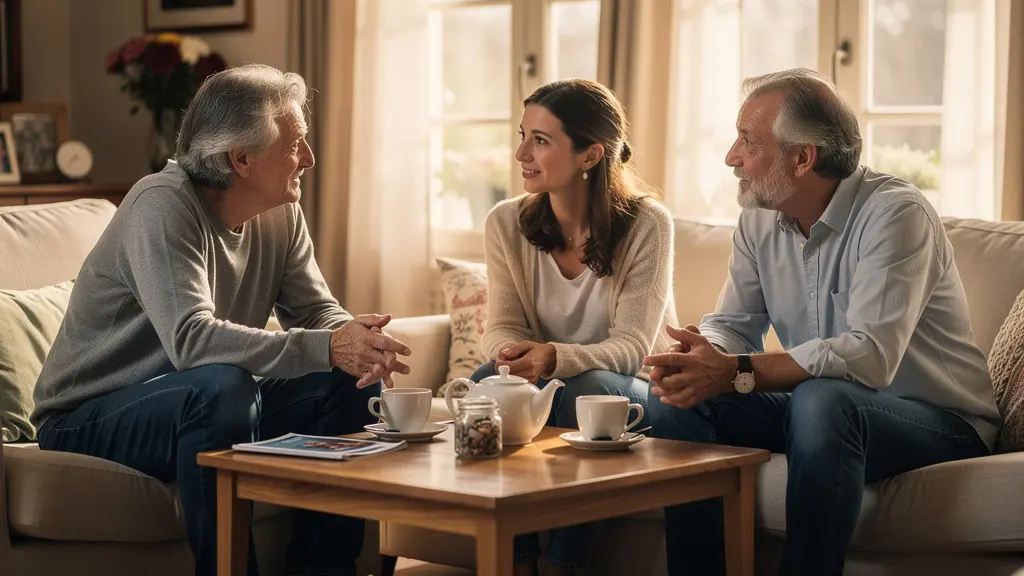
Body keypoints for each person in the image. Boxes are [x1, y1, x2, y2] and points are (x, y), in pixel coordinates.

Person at [30, 64, 412, 576]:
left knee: (344, 381)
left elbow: (315, 311)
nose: (310, 159)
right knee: (221, 387)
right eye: (296, 143)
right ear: (241, 158)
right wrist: (325, 346)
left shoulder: (280, 211)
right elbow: (191, 340)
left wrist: (354, 340)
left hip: (193, 401)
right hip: (87, 417)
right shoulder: (160, 206)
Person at [643, 67, 1001, 576]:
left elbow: (869, 356)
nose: (731, 157)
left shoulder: (897, 215)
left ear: (802, 157)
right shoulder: (759, 216)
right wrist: (703, 354)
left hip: (938, 420)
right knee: (681, 401)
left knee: (823, 396)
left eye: (747, 141)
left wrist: (736, 369)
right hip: (823, 415)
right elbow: (733, 322)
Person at [475, 78, 677, 576]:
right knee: (485, 384)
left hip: (629, 388)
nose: (521, 152)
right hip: (551, 378)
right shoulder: (505, 222)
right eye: (522, 134)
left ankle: (564, 564)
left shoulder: (648, 224)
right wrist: (512, 358)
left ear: (591, 155)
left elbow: (633, 347)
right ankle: (516, 559)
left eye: (540, 140)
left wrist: (553, 358)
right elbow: (499, 326)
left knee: (586, 390)